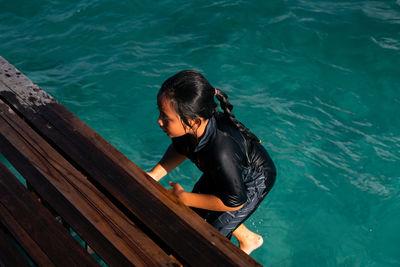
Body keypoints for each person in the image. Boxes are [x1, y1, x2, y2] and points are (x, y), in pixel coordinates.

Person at [146, 70, 276, 255]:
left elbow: (234, 202)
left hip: (253, 178)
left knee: (206, 240)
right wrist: (154, 175)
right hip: (226, 171)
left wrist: (183, 197)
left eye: (166, 118)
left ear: (195, 122)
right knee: (190, 218)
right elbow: (179, 148)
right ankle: (248, 239)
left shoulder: (221, 152)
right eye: (160, 113)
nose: (159, 121)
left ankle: (241, 244)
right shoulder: (190, 127)